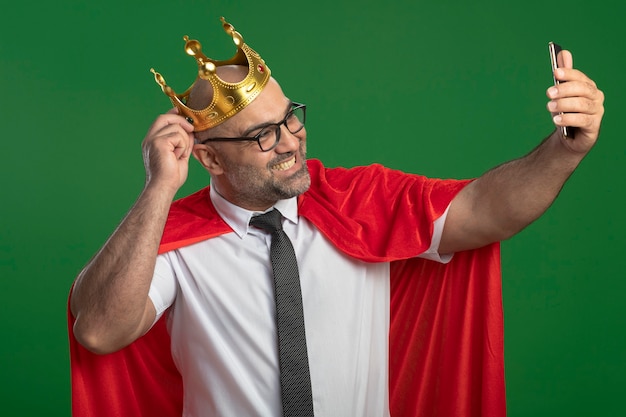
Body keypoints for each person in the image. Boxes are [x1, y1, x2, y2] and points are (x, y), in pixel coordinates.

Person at [68, 19, 604, 417]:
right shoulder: (174, 243)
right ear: (209, 158)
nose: (290, 143)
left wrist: (565, 150)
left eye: (290, 119)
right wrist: (159, 188)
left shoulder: (360, 200)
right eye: (262, 135)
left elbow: (486, 209)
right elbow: (98, 330)